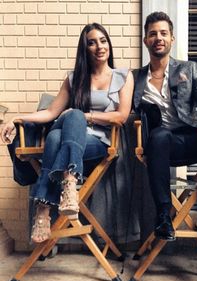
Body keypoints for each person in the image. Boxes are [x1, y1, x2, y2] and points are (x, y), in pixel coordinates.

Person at [1, 23, 134, 243]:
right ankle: (69, 183)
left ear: (109, 44)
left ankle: (43, 209)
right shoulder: (74, 78)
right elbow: (51, 112)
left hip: (100, 143)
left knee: (63, 128)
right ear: (85, 49)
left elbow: (120, 117)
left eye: (103, 40)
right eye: (92, 42)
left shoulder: (123, 76)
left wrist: (85, 116)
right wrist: (18, 120)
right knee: (66, 122)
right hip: (70, 139)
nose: (99, 46)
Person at [132, 11, 197, 243]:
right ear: (146, 40)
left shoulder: (189, 69)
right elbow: (123, 107)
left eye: (163, 33)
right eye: (153, 34)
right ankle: (164, 216)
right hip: (163, 144)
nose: (158, 37)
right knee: (157, 137)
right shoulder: (135, 77)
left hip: (192, 136)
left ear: (172, 39)